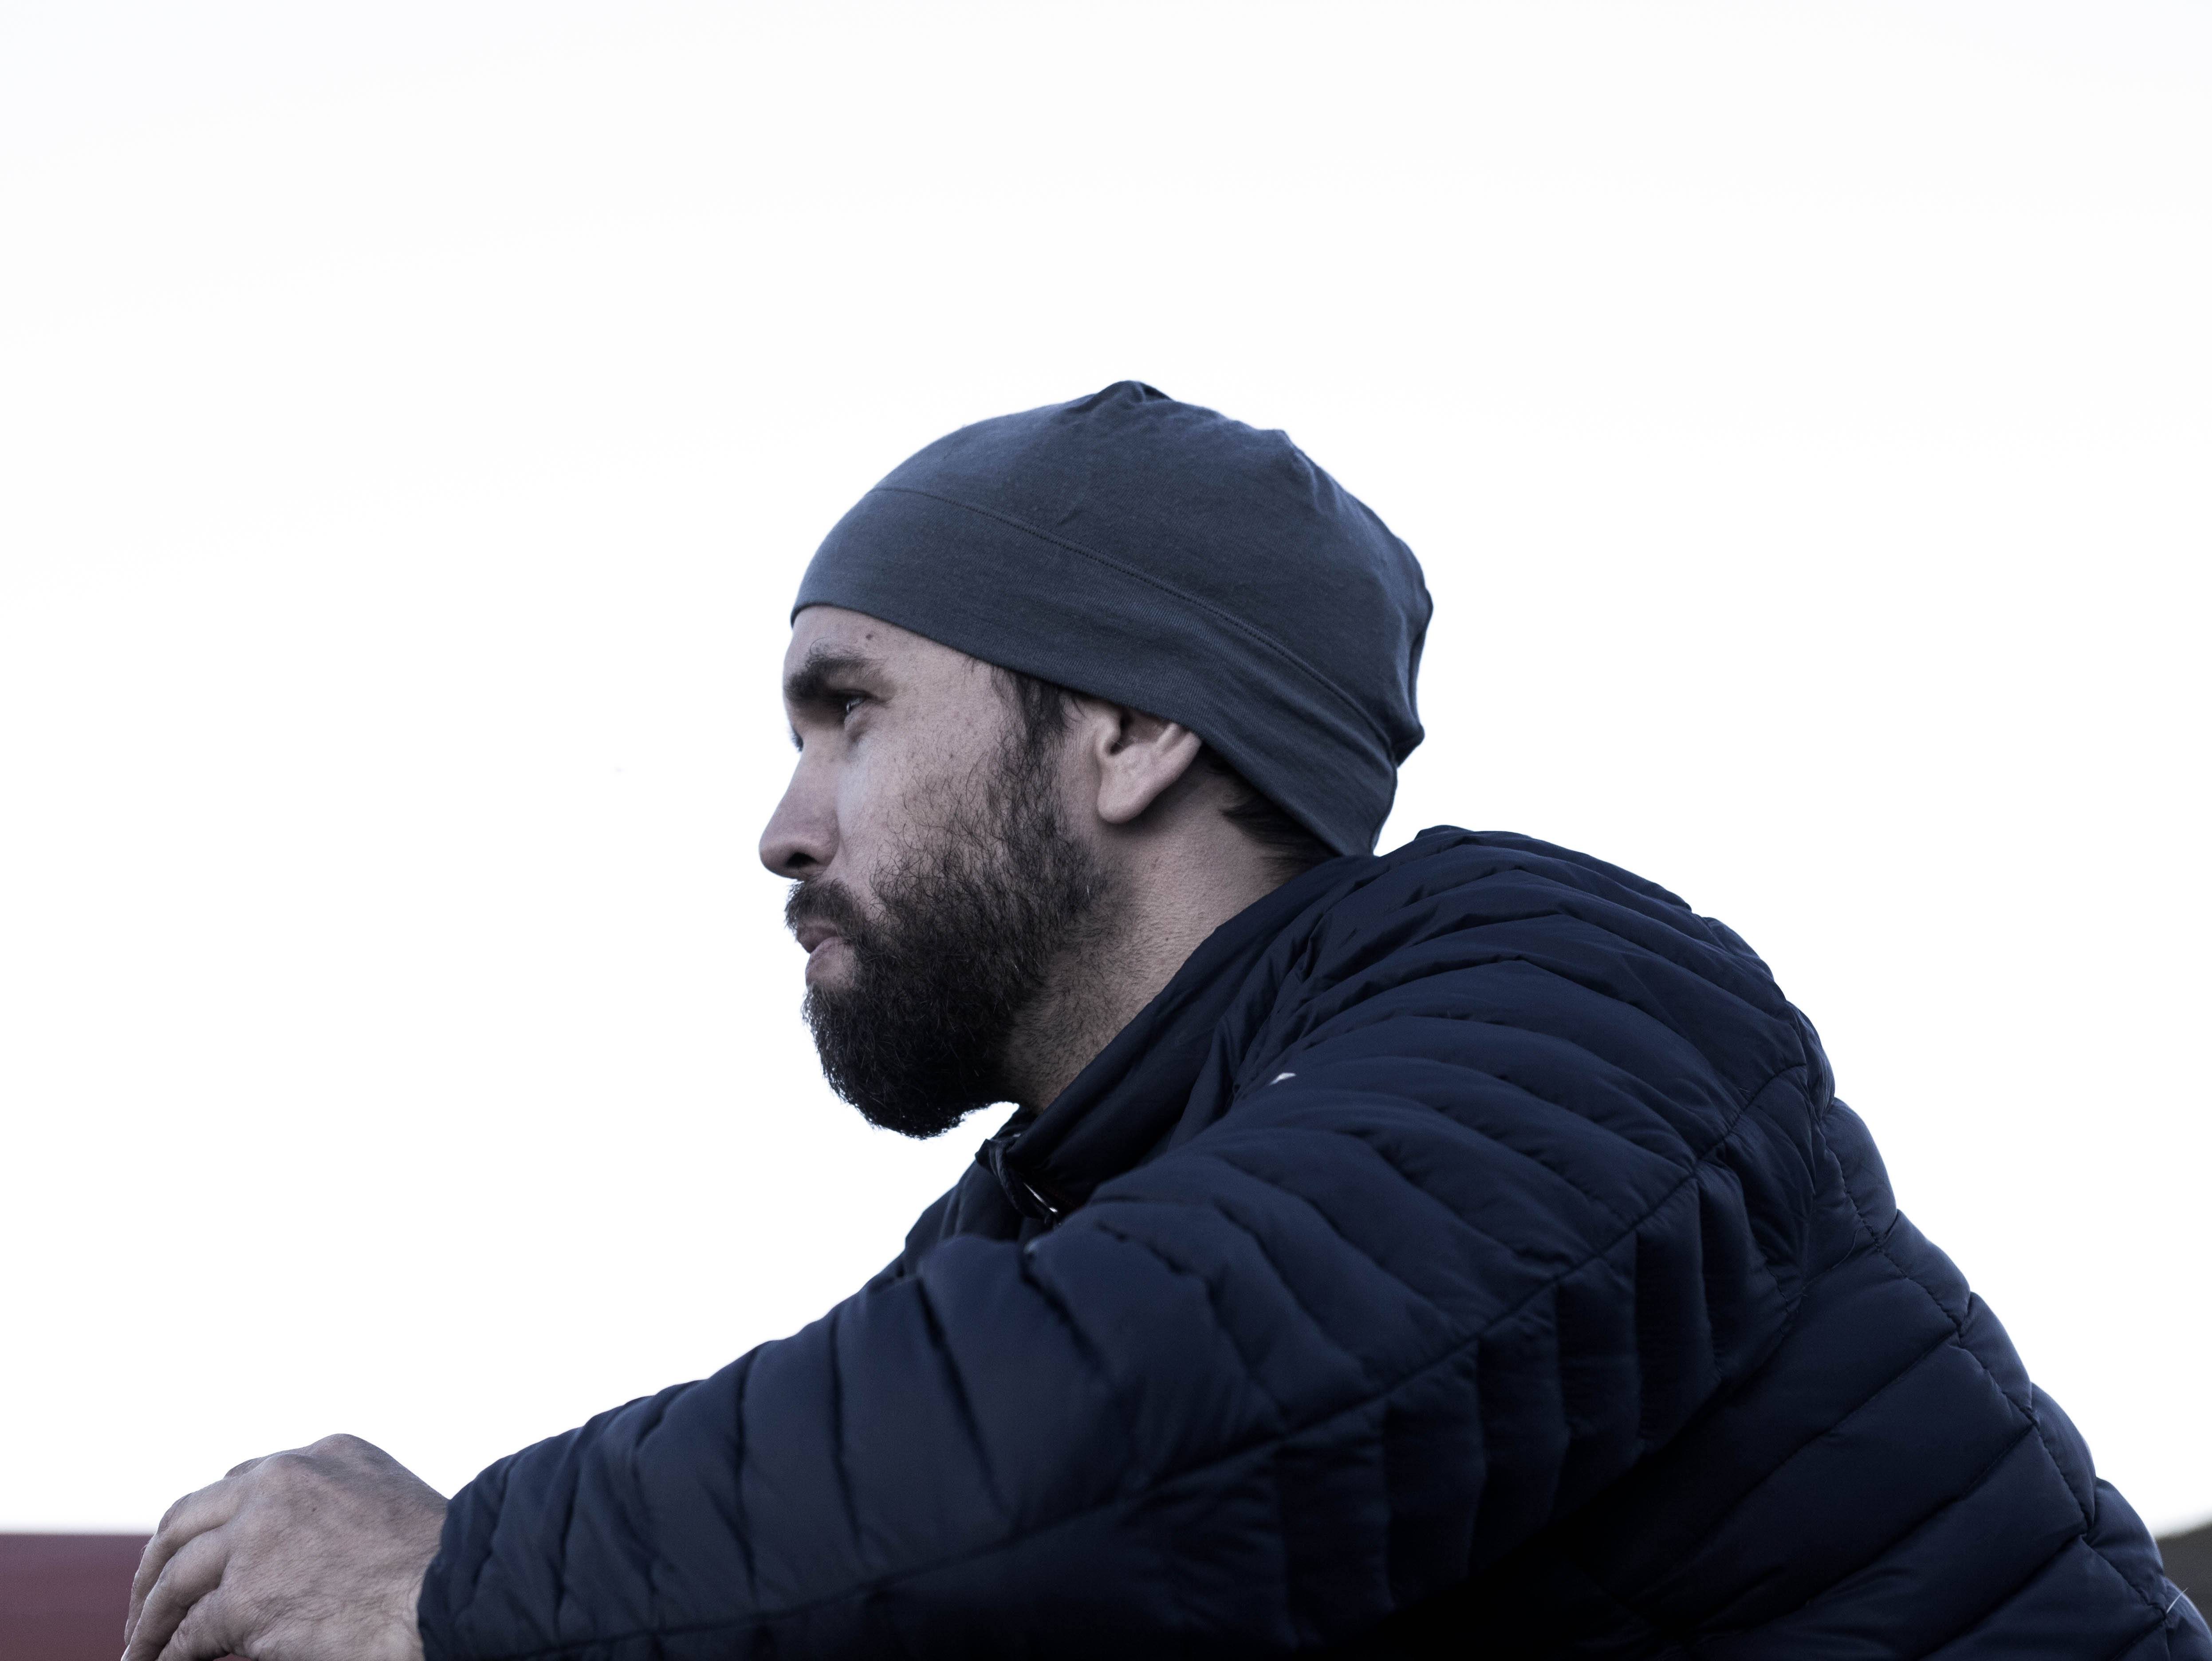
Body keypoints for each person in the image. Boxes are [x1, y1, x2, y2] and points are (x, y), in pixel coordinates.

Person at [122, 383, 2206, 1659]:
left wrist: (456, 1582)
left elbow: (1109, 1443)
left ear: (1126, 730)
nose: (781, 826)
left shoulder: (1564, 996)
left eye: (847, 711)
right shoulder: (1041, 1235)